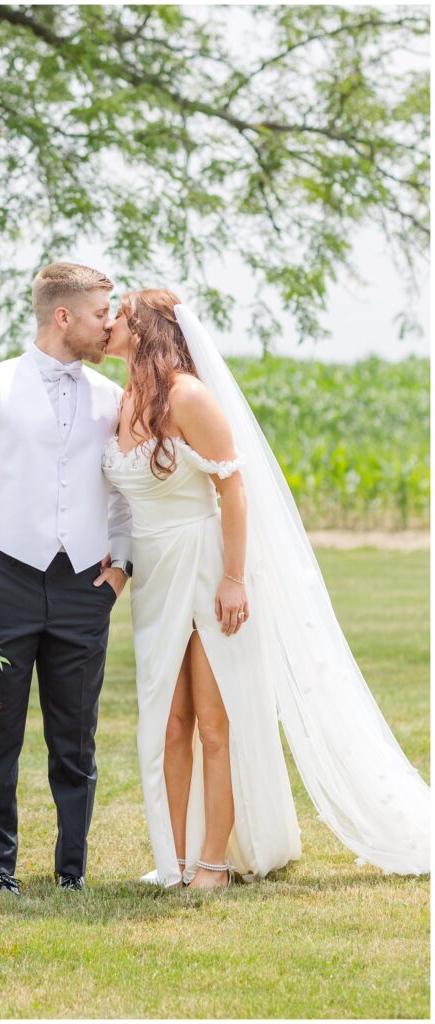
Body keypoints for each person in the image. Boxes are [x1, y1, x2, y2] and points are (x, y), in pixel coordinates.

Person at [102, 288, 430, 891]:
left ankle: (214, 863)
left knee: (211, 719)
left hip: (203, 565)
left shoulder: (187, 396)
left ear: (144, 328)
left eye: (117, 315)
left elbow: (233, 487)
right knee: (167, 723)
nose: (107, 324)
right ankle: (171, 859)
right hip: (155, 578)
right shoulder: (125, 399)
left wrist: (232, 578)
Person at [0, 262, 133, 896]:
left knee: (76, 738)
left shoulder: (113, 398)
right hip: (3, 578)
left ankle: (72, 870)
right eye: (102, 313)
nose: (111, 325)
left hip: (83, 586)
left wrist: (122, 563)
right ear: (62, 316)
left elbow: (123, 491)